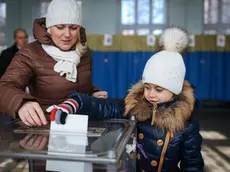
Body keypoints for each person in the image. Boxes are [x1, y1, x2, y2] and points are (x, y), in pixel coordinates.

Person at [49, 27, 204, 171]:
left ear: (174, 91)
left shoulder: (186, 125)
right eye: (147, 87)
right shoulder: (135, 107)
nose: (150, 94)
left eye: (158, 89)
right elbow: (104, 107)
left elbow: (192, 164)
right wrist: (75, 103)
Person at [0, 0, 107, 127]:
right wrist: (22, 103)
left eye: (73, 28)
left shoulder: (83, 52)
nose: (67, 34)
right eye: (60, 27)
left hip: (79, 126)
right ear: (49, 28)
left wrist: (91, 94)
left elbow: (78, 84)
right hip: (45, 128)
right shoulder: (30, 53)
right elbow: (5, 87)